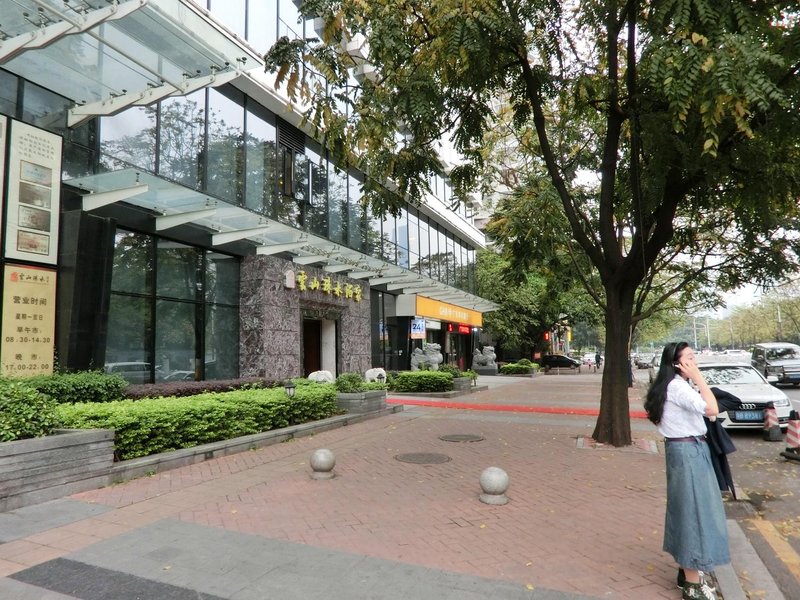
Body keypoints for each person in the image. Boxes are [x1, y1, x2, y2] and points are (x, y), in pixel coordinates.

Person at [644, 342, 729, 600]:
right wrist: (699, 378)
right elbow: (712, 409)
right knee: (696, 513)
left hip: (684, 450)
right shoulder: (678, 387)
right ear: (677, 363)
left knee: (687, 509)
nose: (695, 360)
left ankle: (686, 571)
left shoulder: (671, 386)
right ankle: (693, 585)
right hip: (689, 452)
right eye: (690, 357)